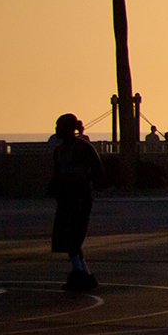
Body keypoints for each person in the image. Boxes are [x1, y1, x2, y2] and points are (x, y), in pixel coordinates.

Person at [48, 113, 103, 293]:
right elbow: (57, 174)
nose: (56, 129)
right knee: (67, 238)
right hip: (65, 198)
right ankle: (82, 272)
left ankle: (80, 273)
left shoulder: (83, 148)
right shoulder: (59, 151)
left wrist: (86, 183)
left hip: (80, 197)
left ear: (68, 128)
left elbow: (97, 169)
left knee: (74, 236)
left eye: (59, 126)